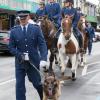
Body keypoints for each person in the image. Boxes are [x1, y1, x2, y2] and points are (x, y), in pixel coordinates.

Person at [8, 10, 48, 100]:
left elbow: (42, 44)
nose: (22, 20)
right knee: (19, 86)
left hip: (33, 61)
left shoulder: (36, 29)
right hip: (20, 63)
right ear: (19, 18)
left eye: (24, 18)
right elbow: (11, 47)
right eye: (21, 18)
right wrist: (20, 54)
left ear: (28, 17)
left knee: (37, 84)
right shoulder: (14, 31)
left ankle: (44, 97)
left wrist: (43, 59)